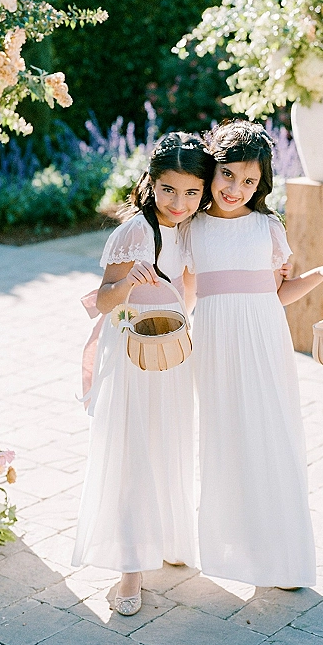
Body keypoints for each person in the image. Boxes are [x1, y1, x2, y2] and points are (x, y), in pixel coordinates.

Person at [183, 119, 323, 588]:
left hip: (264, 341)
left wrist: (319, 273)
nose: (236, 188)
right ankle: (233, 550)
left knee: (271, 434)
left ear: (262, 184)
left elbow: (276, 293)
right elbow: (186, 293)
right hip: (214, 344)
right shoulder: (192, 227)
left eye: (249, 180)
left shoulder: (267, 227)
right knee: (225, 440)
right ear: (212, 170)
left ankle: (282, 555)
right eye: (228, 175)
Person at [72, 132, 214, 616]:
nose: (180, 202)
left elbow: (188, 293)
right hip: (133, 353)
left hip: (169, 351)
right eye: (170, 190)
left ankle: (168, 537)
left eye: (192, 192)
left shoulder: (191, 229)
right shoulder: (134, 232)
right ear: (151, 184)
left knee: (167, 443)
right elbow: (102, 301)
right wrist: (128, 283)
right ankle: (131, 569)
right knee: (135, 450)